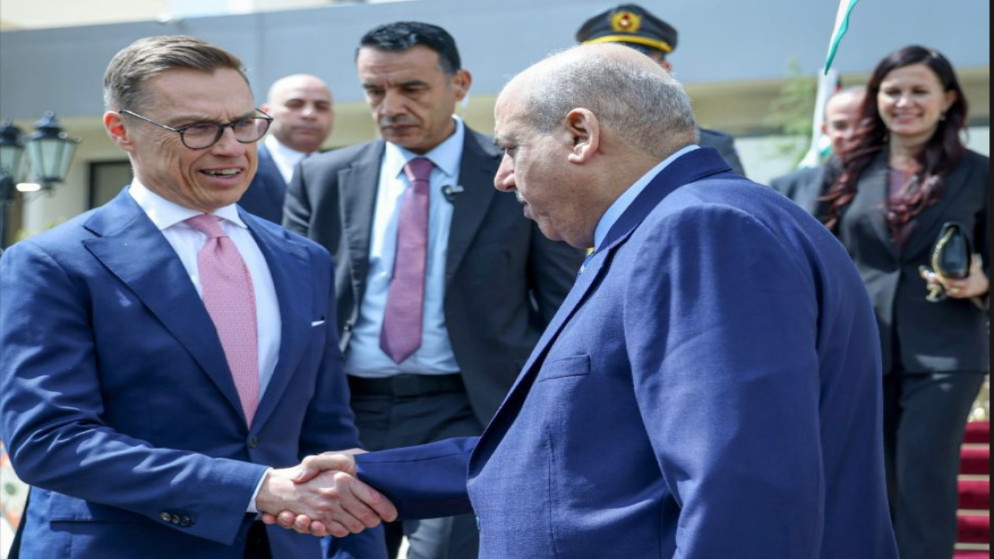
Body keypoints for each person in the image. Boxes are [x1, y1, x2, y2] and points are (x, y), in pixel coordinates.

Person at [271, 43, 901, 558]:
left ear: (580, 134)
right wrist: (373, 474)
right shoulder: (671, 228)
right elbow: (576, 445)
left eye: (512, 147)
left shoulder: (700, 231)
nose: (503, 176)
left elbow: (744, 485)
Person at [0, 35, 396, 559]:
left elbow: (328, 432)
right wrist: (254, 488)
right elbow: (50, 443)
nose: (231, 146)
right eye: (197, 128)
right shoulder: (53, 263)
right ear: (121, 131)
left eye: (244, 123)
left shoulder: (303, 259)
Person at [282, 21, 585, 559]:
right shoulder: (321, 177)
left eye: (411, 88)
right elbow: (294, 307)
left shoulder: (516, 172)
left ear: (459, 84)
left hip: (468, 410)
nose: (390, 106)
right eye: (374, 90)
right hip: (347, 413)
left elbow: (562, 305)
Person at [821, 45, 989, 559]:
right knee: (866, 482)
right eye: (892, 91)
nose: (904, 102)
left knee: (923, 480)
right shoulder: (844, 172)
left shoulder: (979, 174)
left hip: (944, 352)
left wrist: (982, 280)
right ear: (876, 99)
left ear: (948, 100)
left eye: (919, 91)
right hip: (861, 348)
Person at [575, 3, 747, 176]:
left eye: (639, 59)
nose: (624, 69)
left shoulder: (709, 146)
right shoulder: (568, 142)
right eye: (610, 59)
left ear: (665, 69)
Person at [239, 74, 334, 223]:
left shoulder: (344, 174)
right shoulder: (239, 170)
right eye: (295, 104)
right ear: (267, 112)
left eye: (321, 107)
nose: (309, 114)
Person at [771, 85, 866, 215]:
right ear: (826, 130)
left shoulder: (893, 184)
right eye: (840, 126)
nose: (851, 134)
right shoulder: (788, 188)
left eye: (863, 124)